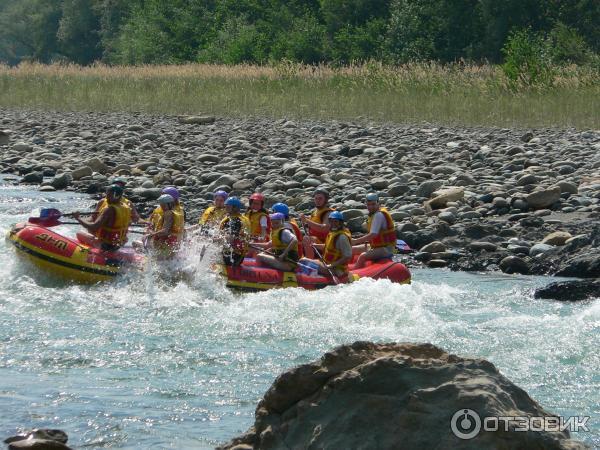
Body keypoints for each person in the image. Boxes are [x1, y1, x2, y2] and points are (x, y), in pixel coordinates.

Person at [73, 184, 132, 251]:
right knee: (91, 231)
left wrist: (78, 218)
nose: (106, 197)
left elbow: (94, 227)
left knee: (79, 233)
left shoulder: (109, 209)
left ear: (116, 196)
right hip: (119, 244)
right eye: (107, 194)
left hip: (106, 246)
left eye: (109, 195)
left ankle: (93, 250)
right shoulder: (126, 207)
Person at [351, 193, 396, 269]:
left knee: (362, 256)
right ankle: (345, 266)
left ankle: (351, 275)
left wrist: (356, 241)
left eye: (373, 204)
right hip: (376, 247)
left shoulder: (379, 215)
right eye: (369, 205)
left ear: (378, 203)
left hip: (386, 249)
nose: (371, 207)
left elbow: (373, 234)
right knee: (351, 249)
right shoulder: (373, 215)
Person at [304, 211, 352, 277]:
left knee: (304, 261)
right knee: (304, 261)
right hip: (327, 264)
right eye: (331, 221)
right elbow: (328, 247)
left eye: (335, 221)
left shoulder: (342, 237)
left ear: (340, 223)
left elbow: (347, 256)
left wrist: (332, 265)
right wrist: (316, 246)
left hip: (337, 269)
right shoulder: (332, 233)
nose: (333, 224)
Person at [145, 194, 185, 259]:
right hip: (175, 241)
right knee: (169, 261)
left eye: (163, 205)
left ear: (169, 204)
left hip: (168, 242)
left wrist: (151, 235)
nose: (162, 207)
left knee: (157, 260)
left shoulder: (168, 213)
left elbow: (165, 231)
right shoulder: (178, 212)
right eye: (161, 205)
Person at [299, 187, 333, 258]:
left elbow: (324, 228)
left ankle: (309, 261)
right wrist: (306, 219)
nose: (317, 200)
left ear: (326, 200)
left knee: (307, 238)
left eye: (320, 198)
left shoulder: (328, 213)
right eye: (316, 198)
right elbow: (314, 221)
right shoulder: (315, 211)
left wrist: (307, 220)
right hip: (316, 240)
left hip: (325, 242)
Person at [219, 196, 250, 266]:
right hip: (231, 252)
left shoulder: (237, 221)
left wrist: (214, 240)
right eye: (226, 206)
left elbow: (230, 239)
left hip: (235, 255)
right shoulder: (229, 218)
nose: (226, 209)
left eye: (228, 207)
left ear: (235, 208)